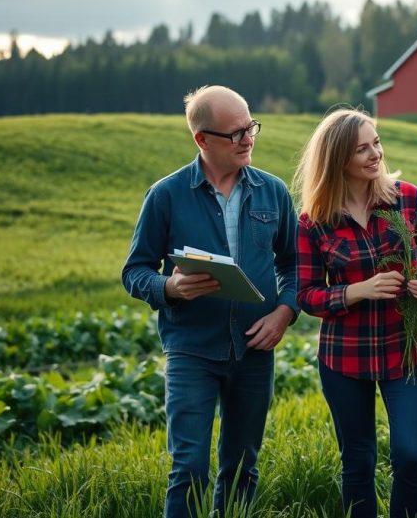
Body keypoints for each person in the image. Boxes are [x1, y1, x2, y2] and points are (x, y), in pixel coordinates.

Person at [122, 85, 299, 518]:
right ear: (202, 139)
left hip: (256, 348)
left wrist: (284, 312)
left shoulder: (272, 192)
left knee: (242, 468)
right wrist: (169, 288)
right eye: (235, 133)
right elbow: (134, 271)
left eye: (251, 127)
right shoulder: (166, 195)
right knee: (190, 468)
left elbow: (296, 267)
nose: (248, 139)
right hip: (191, 349)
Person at [293, 108, 417, 518]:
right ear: (337, 159)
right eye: (362, 149)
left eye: (377, 143)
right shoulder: (314, 220)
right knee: (358, 460)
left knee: (409, 455)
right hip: (344, 358)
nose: (375, 154)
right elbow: (307, 294)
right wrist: (354, 292)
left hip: (407, 351)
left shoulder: (408, 199)